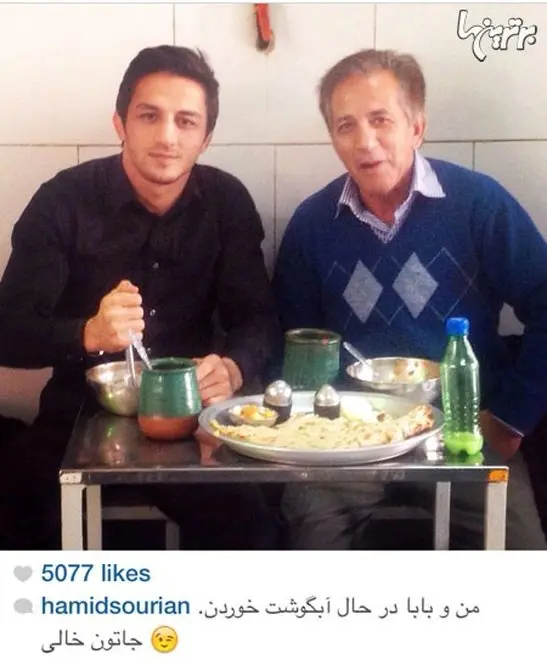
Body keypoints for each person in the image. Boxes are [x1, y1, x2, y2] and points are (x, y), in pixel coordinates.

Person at [0, 45, 281, 550]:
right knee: (14, 518)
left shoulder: (227, 202)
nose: (167, 137)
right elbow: (8, 331)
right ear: (121, 124)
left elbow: (257, 317)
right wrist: (87, 333)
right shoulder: (63, 200)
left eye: (186, 121)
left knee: (253, 527)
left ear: (206, 137)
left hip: (193, 419)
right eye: (150, 116)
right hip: (78, 413)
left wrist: (234, 366)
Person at [273, 48, 547, 549]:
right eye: (346, 126)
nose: (365, 142)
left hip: (465, 435)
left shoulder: (478, 205)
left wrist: (511, 419)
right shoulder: (312, 225)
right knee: (306, 555)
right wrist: (308, 431)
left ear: (416, 127)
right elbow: (291, 343)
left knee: (525, 567)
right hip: (347, 443)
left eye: (381, 120)